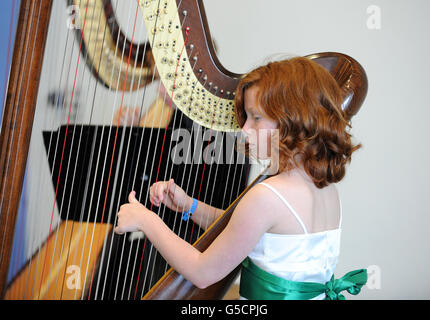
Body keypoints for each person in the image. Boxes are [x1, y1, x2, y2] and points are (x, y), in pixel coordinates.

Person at [114, 56, 367, 300]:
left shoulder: (267, 196)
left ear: (292, 118)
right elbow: (243, 230)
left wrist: (146, 220)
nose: (245, 129)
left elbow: (202, 273)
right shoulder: (324, 187)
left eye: (256, 117)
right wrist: (189, 205)